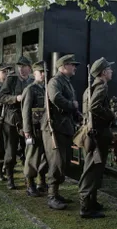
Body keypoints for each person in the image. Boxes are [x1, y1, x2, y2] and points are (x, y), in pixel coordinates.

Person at [78, 57, 115, 218]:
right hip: (98, 134)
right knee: (92, 170)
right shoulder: (101, 87)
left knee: (95, 169)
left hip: (93, 133)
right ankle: (85, 207)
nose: (111, 71)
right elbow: (94, 107)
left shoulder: (90, 88)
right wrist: (111, 115)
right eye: (109, 69)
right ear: (103, 72)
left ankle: (91, 202)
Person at [44, 54, 80, 210]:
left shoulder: (66, 82)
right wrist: (72, 105)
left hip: (64, 127)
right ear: (63, 66)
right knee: (56, 162)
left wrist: (76, 113)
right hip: (55, 127)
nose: (75, 67)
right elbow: (56, 98)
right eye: (72, 65)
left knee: (63, 161)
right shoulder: (55, 81)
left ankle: (56, 193)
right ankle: (52, 196)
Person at [0, 56, 35, 190]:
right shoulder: (11, 79)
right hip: (12, 121)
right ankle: (10, 178)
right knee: (11, 150)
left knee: (28, 150)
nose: (21, 69)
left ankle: (29, 180)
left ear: (29, 68)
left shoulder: (32, 81)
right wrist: (15, 98)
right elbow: (1, 97)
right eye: (19, 67)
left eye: (24, 67)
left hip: (28, 122)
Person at [21, 61, 48, 197]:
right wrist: (27, 131)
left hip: (44, 129)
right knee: (32, 156)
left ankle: (41, 181)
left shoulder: (46, 88)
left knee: (44, 157)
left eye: (44, 72)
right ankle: (30, 183)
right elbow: (25, 111)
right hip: (34, 129)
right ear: (34, 74)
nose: (43, 75)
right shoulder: (30, 89)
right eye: (40, 72)